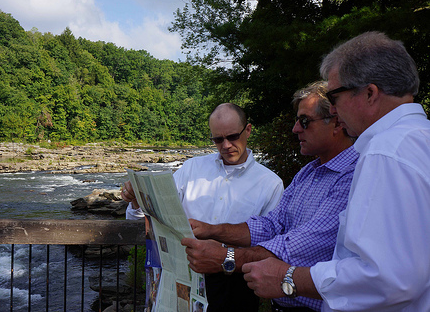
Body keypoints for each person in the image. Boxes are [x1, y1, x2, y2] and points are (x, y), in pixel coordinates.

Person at [242, 31, 430, 311]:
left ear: (369, 93)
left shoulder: (385, 152)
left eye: (335, 96)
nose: (334, 110)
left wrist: (287, 277)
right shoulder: (418, 140)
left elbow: (386, 278)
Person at [181, 81, 358, 311]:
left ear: (336, 122)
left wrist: (226, 257)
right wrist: (212, 230)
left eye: (304, 121)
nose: (295, 129)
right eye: (217, 139)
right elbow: (271, 225)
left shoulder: (352, 174)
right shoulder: (308, 173)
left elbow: (300, 245)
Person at [122, 103, 284, 311]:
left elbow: (269, 248)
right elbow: (150, 221)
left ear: (248, 130)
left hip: (235, 284)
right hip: (182, 275)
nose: (226, 145)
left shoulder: (270, 184)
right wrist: (137, 202)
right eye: (218, 139)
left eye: (233, 136)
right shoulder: (192, 168)